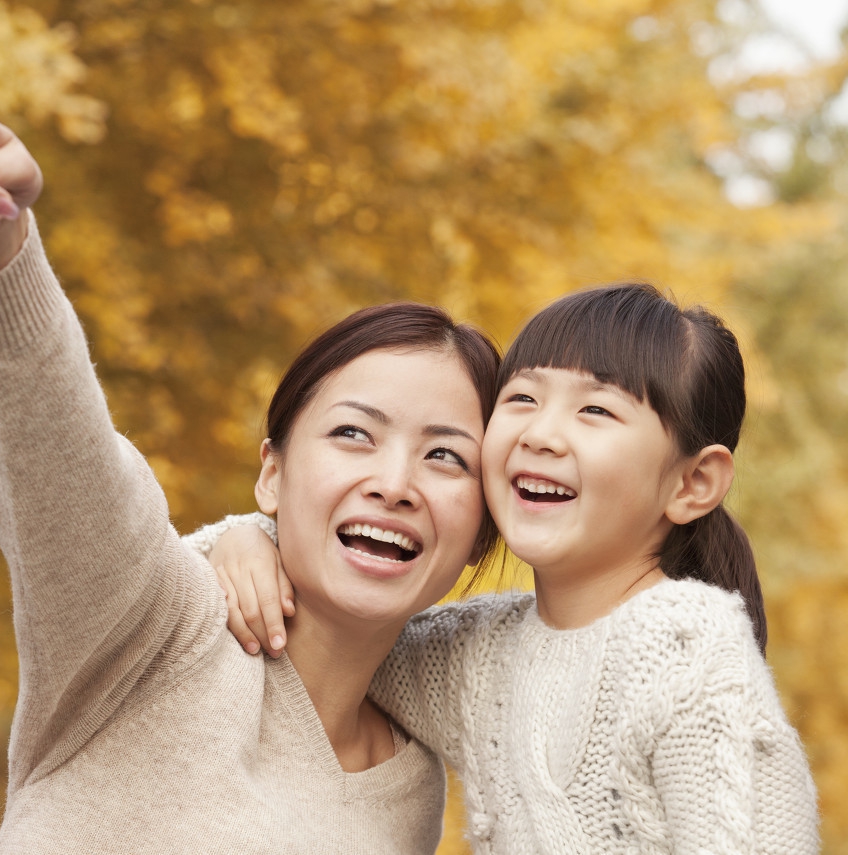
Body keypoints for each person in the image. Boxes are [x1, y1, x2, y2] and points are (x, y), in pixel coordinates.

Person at [0, 23, 507, 853]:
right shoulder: (152, 626)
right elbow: (65, 467)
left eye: (446, 455)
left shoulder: (412, 786)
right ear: (272, 474)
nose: (396, 481)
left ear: (483, 526)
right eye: (352, 434)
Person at [203, 283, 821, 853]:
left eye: (596, 411)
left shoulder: (690, 652)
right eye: (522, 398)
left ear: (693, 482)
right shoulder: (477, 653)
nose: (541, 435)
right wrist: (247, 536)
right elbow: (342, 625)